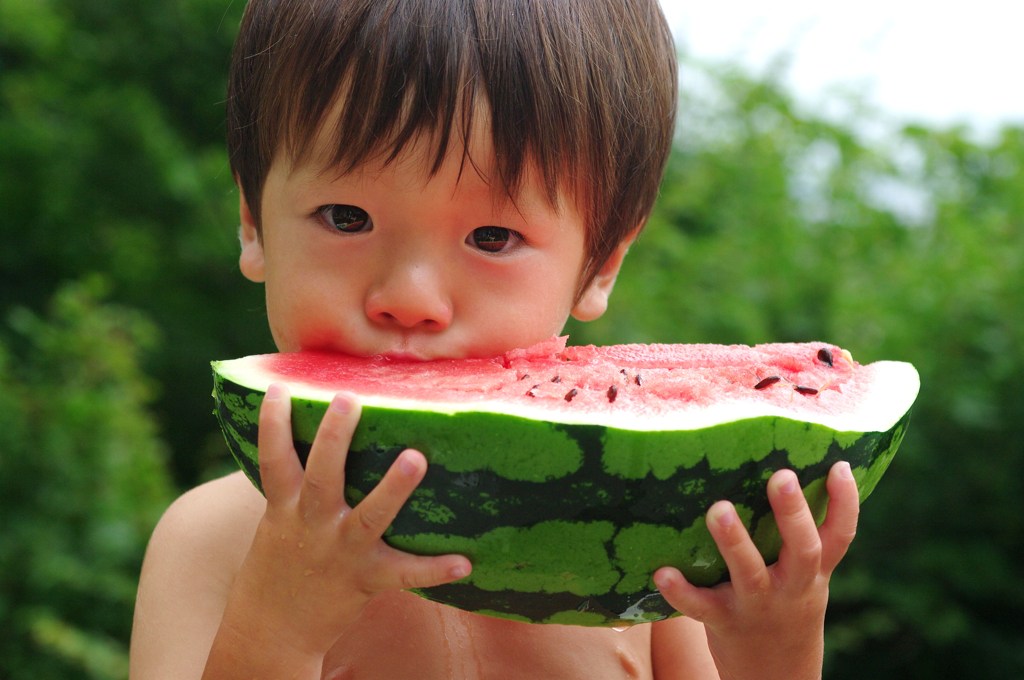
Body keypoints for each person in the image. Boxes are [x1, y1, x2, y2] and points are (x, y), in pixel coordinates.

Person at [129, 0, 861, 678]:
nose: (410, 299)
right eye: (346, 218)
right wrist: (275, 628)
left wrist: (774, 652)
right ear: (253, 220)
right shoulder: (212, 542)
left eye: (491, 235)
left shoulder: (657, 541)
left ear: (600, 262)